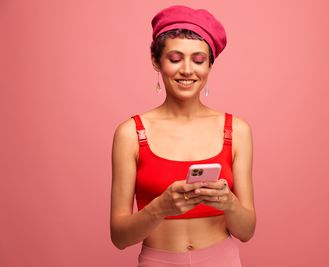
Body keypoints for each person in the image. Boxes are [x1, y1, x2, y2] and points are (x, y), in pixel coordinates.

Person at [110, 5, 256, 267]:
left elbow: (246, 232)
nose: (187, 70)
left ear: (210, 65)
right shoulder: (131, 133)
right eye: (175, 58)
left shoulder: (237, 131)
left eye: (199, 60)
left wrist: (229, 203)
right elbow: (119, 237)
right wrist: (160, 208)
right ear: (156, 61)